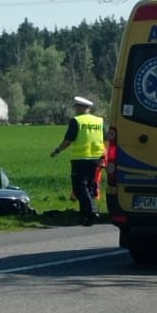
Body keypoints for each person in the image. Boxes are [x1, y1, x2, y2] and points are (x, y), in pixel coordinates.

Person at [51, 96, 105, 226]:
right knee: (90, 186)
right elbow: (104, 138)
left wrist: (57, 150)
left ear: (81, 107)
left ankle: (91, 211)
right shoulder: (99, 121)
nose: (75, 109)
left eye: (76, 107)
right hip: (95, 158)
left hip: (80, 158)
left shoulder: (76, 121)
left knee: (79, 187)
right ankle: (86, 216)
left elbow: (68, 140)